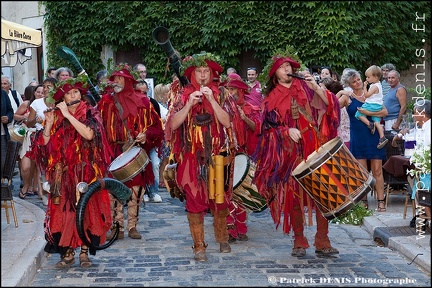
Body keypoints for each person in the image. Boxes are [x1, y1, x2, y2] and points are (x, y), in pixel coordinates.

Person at [251, 52, 340, 257]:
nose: (288, 70)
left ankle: (322, 240)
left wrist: (316, 86)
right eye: (283, 67)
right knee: (294, 200)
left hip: (313, 147)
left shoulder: (306, 88)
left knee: (322, 195)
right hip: (289, 154)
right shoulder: (270, 99)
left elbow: (331, 106)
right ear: (275, 75)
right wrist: (285, 131)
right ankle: (299, 240)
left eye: (290, 66)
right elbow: (265, 130)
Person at [33, 77, 113, 268]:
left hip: (86, 173)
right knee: (63, 215)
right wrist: (50, 125)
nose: (73, 95)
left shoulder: (91, 114)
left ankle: (84, 253)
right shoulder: (56, 116)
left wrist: (69, 116)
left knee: (86, 213)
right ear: (63, 98)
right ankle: (67, 252)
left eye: (76, 92)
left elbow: (89, 134)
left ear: (80, 94)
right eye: (68, 93)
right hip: (63, 176)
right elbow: (43, 146)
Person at [164, 52, 235, 261]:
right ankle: (198, 245)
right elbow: (173, 124)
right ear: (192, 74)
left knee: (220, 200)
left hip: (217, 153)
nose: (203, 76)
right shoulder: (182, 94)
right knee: (194, 200)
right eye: (199, 71)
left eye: (206, 71)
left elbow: (228, 122)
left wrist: (212, 100)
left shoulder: (222, 94)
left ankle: (222, 237)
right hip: (191, 156)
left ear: (212, 74)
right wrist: (188, 106)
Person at [98, 63, 164, 239]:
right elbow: (98, 127)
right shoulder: (106, 102)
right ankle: (117, 225)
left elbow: (157, 127)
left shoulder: (143, 101)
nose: (117, 81)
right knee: (113, 189)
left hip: (135, 150)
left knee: (136, 190)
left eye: (121, 78)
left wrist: (146, 135)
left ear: (129, 81)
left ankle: (132, 225)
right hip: (113, 150)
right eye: (115, 78)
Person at [338, 68, 388, 212]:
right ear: (349, 84)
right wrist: (341, 92)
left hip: (374, 137)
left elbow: (385, 111)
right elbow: (333, 106)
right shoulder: (348, 97)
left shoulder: (371, 92)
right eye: (354, 81)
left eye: (359, 79)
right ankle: (364, 201)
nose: (358, 82)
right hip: (358, 137)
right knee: (362, 172)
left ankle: (381, 201)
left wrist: (368, 112)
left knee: (378, 170)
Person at [221, 73, 262, 243]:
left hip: (244, 156)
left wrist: (244, 118)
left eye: (233, 89)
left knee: (241, 192)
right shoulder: (222, 108)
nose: (230, 92)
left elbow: (257, 129)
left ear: (240, 90)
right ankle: (230, 228)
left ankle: (241, 227)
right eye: (228, 89)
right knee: (226, 193)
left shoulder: (250, 108)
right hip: (225, 155)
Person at [391, 99, 431, 222]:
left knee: (419, 187)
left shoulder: (428, 129)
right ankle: (425, 218)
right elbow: (411, 137)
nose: (413, 116)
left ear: (422, 114)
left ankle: (427, 218)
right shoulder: (420, 127)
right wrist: (399, 135)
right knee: (414, 181)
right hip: (421, 167)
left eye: (415, 113)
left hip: (426, 168)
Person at [135, 79, 163, 203]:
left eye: (144, 92)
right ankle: (144, 192)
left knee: (155, 164)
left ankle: (154, 191)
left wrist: (148, 135)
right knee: (140, 168)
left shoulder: (153, 103)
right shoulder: (131, 104)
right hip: (136, 144)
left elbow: (158, 125)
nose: (142, 95)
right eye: (139, 92)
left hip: (151, 143)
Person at [355, 65, 388, 149]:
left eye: (368, 77)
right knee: (377, 122)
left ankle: (369, 124)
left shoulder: (374, 86)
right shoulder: (379, 85)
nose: (367, 79)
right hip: (378, 106)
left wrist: (365, 86)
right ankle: (382, 137)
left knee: (358, 113)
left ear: (376, 77)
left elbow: (366, 95)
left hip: (372, 105)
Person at [153, 83, 171, 188]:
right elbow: (157, 120)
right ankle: (160, 179)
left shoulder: (168, 104)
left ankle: (164, 178)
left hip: (168, 133)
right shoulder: (157, 105)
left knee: (167, 158)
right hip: (163, 134)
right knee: (163, 158)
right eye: (166, 92)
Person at [1, 89, 14, 175]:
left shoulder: (3, 93)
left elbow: (10, 110)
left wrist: (8, 118)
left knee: (3, 162)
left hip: (2, 134)